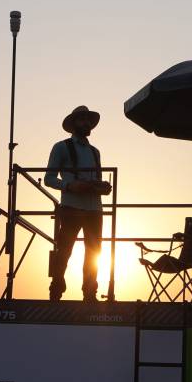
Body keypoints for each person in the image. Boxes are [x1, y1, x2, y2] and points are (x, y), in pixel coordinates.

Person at [44, 105, 112, 302]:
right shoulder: (61, 147)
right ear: (74, 124)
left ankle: (89, 293)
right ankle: (56, 290)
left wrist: (102, 187)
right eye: (82, 119)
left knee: (93, 253)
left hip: (94, 209)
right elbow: (49, 178)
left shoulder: (95, 152)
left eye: (88, 120)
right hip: (72, 207)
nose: (86, 123)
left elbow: (94, 180)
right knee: (64, 251)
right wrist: (69, 185)